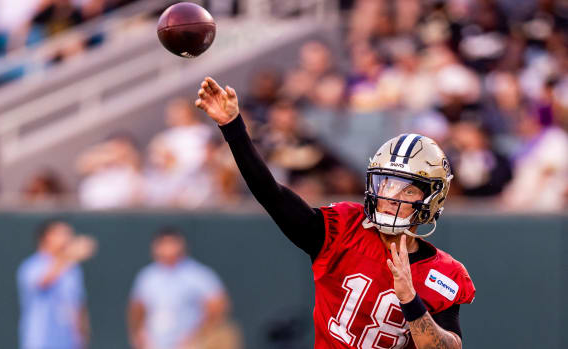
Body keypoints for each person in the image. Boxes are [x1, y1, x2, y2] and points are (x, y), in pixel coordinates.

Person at [195, 77, 476, 349]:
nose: (392, 196)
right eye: (387, 183)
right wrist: (233, 127)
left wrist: (411, 300)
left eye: (409, 190)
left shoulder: (443, 273)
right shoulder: (343, 228)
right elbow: (272, 195)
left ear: (431, 199)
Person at [127, 228, 239, 349]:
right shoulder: (147, 276)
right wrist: (138, 334)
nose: (168, 248)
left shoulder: (197, 274)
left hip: (188, 343)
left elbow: (218, 307)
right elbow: (137, 309)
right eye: (163, 243)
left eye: (172, 243)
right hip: (156, 342)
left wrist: (196, 336)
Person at [17, 220, 97, 349]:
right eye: (62, 234)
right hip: (41, 342)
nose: (68, 238)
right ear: (47, 237)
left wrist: (82, 338)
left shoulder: (73, 269)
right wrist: (68, 257)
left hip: (68, 343)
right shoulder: (32, 266)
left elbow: (78, 306)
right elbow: (44, 282)